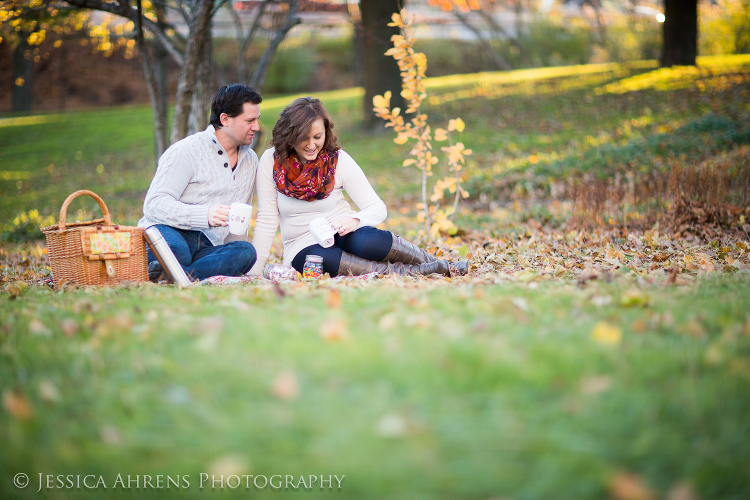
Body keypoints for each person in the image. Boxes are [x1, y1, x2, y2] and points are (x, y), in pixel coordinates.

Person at [249, 97, 469, 278]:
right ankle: (423, 272)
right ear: (290, 135)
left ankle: (438, 263)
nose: (311, 145)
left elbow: (377, 208)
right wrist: (254, 271)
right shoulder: (271, 161)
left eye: (317, 136)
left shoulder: (337, 161)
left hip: (341, 231)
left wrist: (355, 220)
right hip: (302, 245)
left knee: (369, 242)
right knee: (324, 259)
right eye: (303, 138)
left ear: (326, 132)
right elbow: (267, 218)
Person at [138, 84, 261, 281]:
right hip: (167, 231)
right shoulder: (186, 151)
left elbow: (237, 220)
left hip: (206, 247)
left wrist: (231, 254)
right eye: (250, 120)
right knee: (179, 252)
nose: (257, 127)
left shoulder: (250, 160)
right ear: (225, 119)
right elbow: (154, 204)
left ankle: (175, 275)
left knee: (245, 252)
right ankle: (182, 272)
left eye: (257, 119)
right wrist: (205, 215)